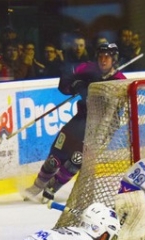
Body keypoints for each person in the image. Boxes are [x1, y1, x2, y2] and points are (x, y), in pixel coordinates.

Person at [22, 42, 126, 202]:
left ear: (114, 59)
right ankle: (37, 185)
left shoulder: (119, 81)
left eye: (107, 57)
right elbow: (66, 75)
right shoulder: (88, 68)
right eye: (101, 57)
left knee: (76, 159)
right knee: (54, 158)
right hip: (81, 120)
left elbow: (116, 111)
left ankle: (52, 187)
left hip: (101, 128)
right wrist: (76, 85)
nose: (103, 60)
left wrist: (102, 95)